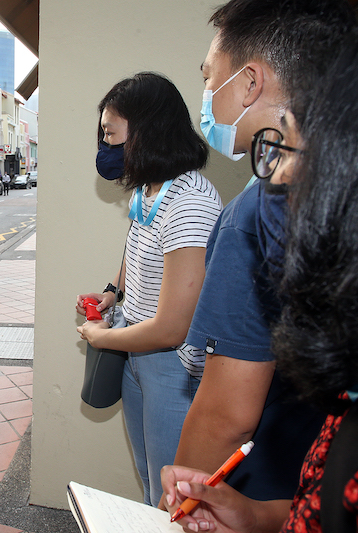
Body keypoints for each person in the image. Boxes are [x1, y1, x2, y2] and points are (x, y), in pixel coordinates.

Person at [162, 25, 358, 533]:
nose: (276, 181)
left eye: (288, 153)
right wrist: (253, 517)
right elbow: (323, 507)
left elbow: (228, 412)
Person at [171, 0, 355, 504]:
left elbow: (227, 415)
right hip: (328, 485)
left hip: (263, 489)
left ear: (249, 82)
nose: (207, 95)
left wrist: (180, 505)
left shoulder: (256, 213)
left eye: (210, 78)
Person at [76, 72, 222, 504]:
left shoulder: (190, 203)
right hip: (137, 354)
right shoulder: (151, 189)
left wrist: (101, 336)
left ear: (145, 131)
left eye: (110, 134)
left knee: (169, 495)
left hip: (170, 365)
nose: (105, 145)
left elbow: (173, 328)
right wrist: (112, 292)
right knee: (148, 478)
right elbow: (137, 244)